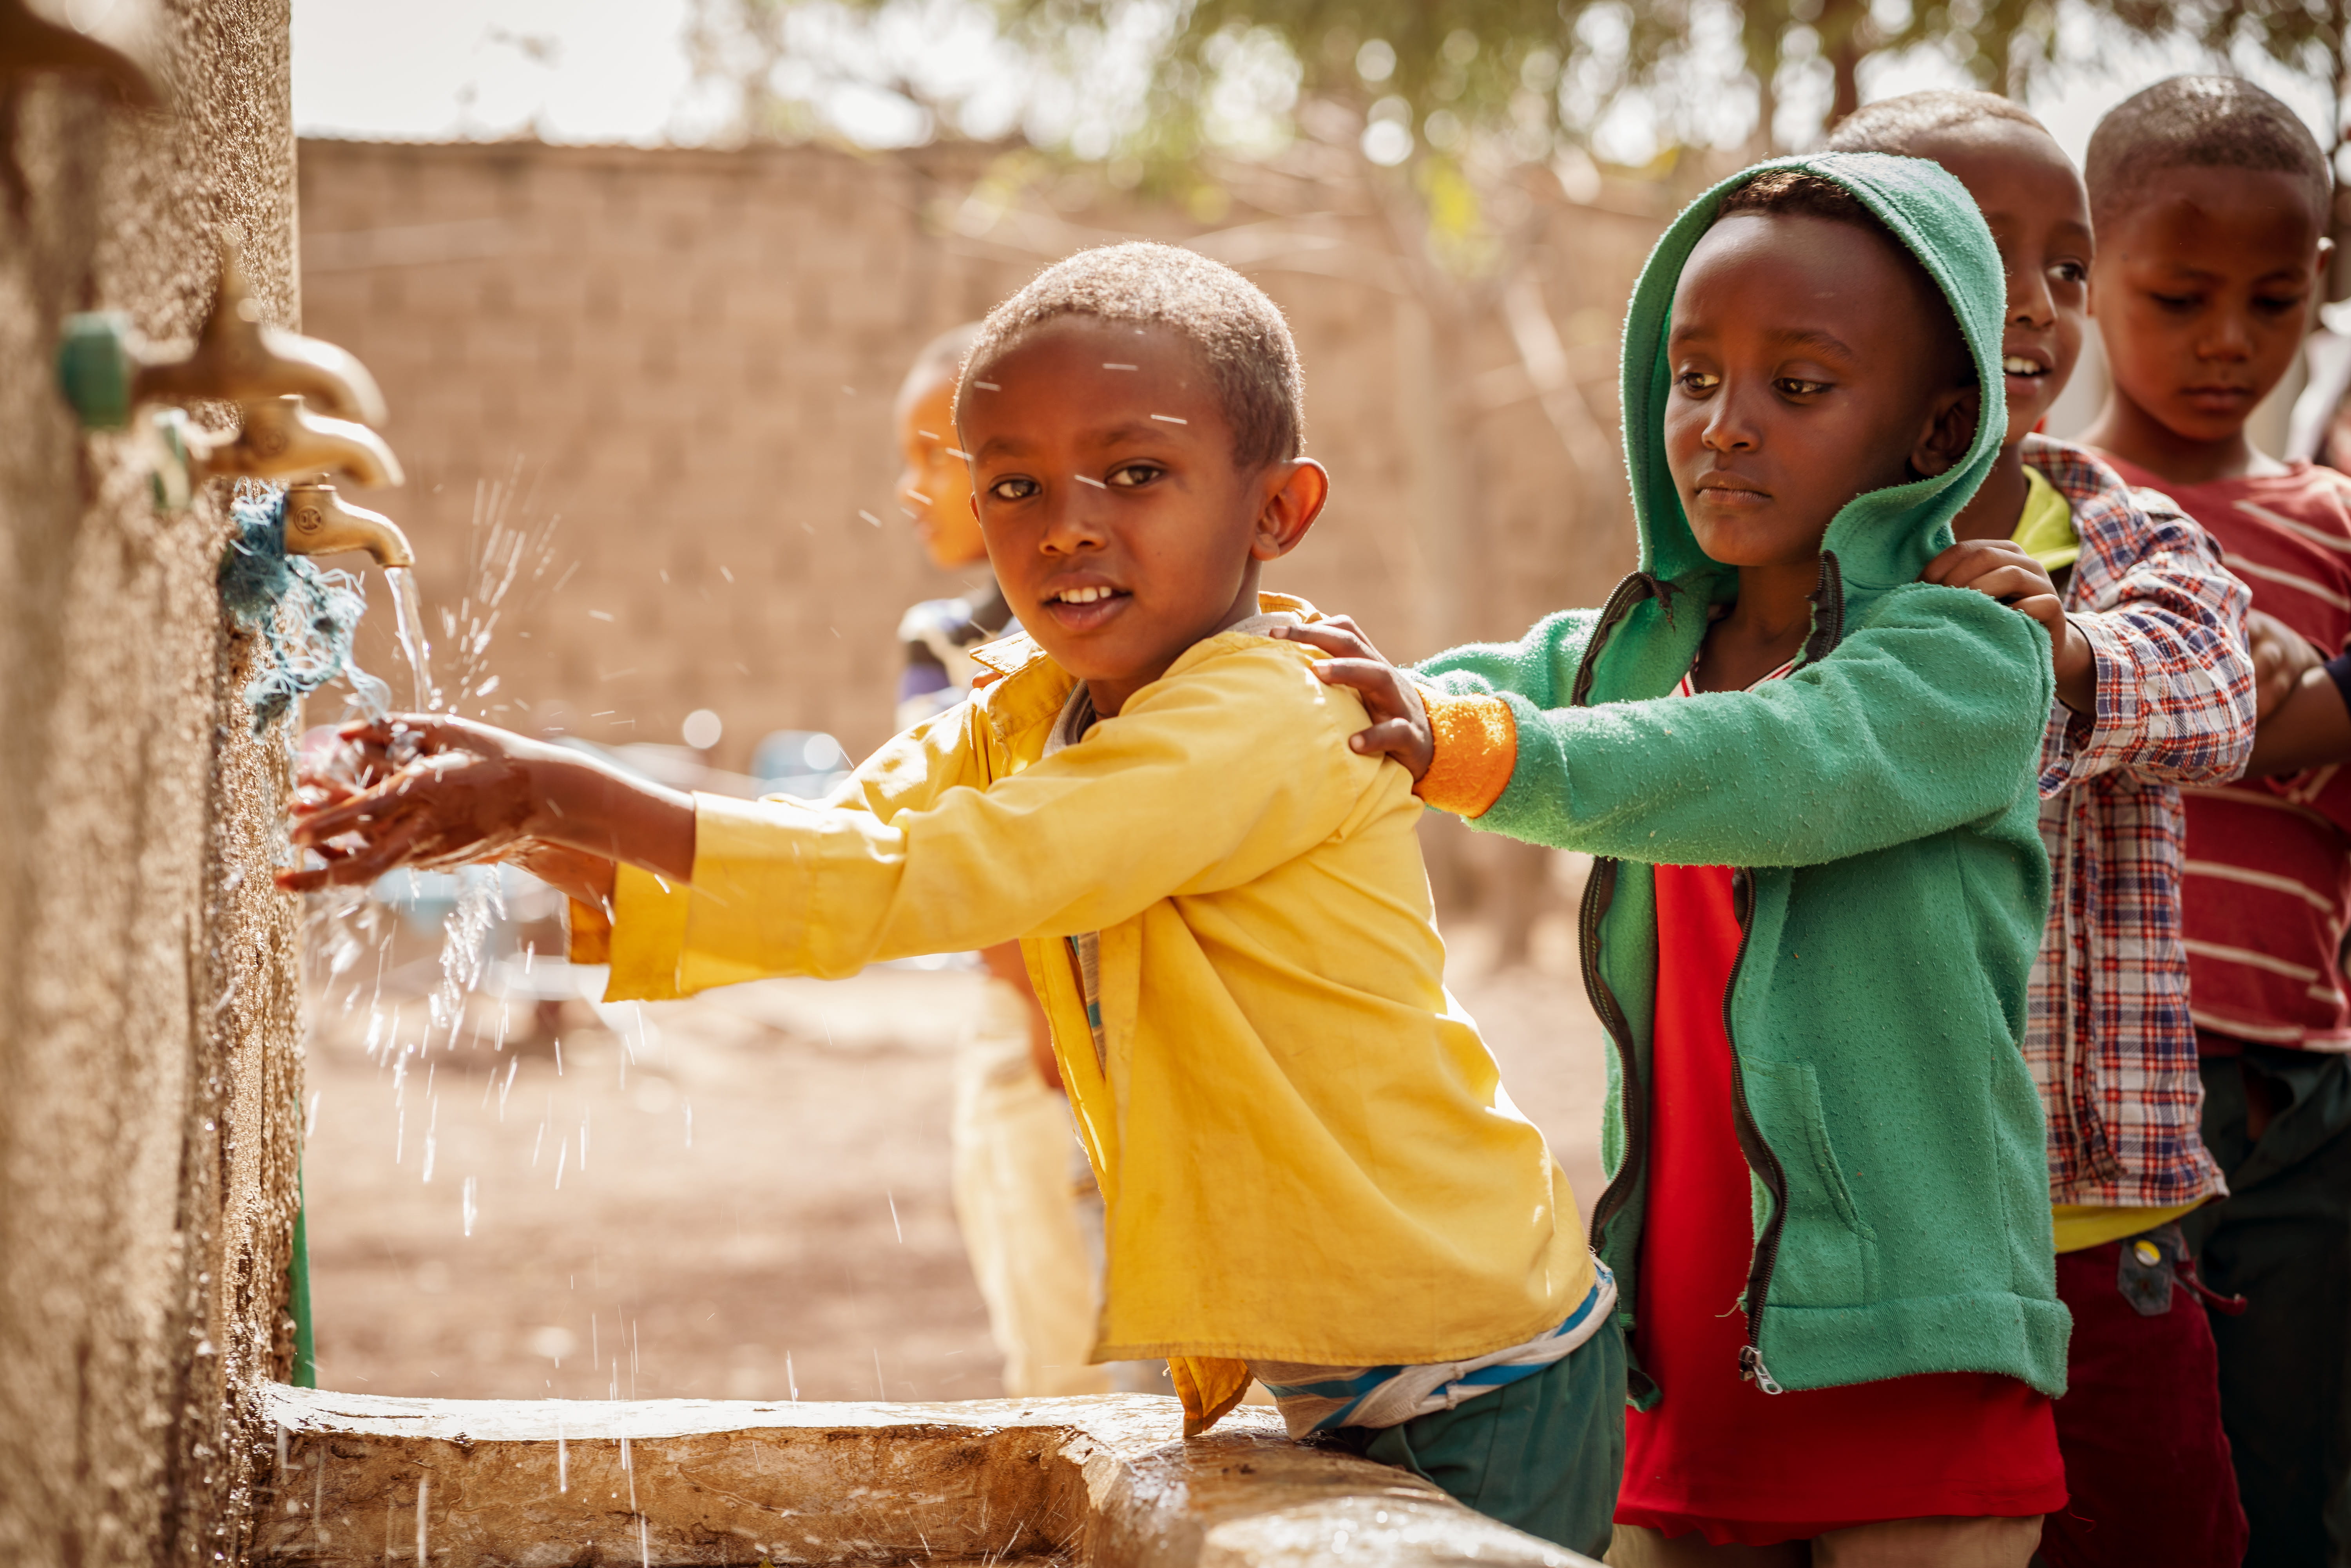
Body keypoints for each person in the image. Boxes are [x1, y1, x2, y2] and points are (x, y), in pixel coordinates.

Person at [277, 243, 1628, 1554]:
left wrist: (559, 791)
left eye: (1137, 473)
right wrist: (509, 836)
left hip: (1476, 1362)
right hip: (1343, 1363)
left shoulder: (1269, 713)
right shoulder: (1024, 707)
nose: (1069, 523)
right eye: (1016, 486)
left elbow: (938, 877)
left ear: (1277, 510)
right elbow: (827, 851)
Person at [1287, 154, 2067, 1564]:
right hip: (1685, 1353)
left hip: (1909, 1341)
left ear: (1936, 423)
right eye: (1694, 377)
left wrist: (1473, 744)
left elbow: (1769, 764)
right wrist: (1281, 691)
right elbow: (1434, 695)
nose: (1723, 427)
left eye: (1800, 386)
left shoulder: (1969, 656)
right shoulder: (1630, 652)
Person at [1822, 92, 2257, 1568]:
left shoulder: (2129, 534)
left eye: (2065, 267)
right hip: (1872, 1255)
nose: (2038, 307)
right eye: (1977, 252)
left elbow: (2211, 695)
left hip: (2100, 1240)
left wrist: (2061, 653)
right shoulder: (1791, 555)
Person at [2074, 75, 2351, 1567]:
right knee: (2115, 1495)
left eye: (2276, 298)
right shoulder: (2047, 516)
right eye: (2178, 297)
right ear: (2086, 275)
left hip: (2298, 1101)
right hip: (2088, 1102)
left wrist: (2318, 707)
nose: (2230, 341)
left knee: (2287, 1486)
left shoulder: (2335, 530)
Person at [891, 322, 1110, 1401]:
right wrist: (1033, 1013)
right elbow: (966, 846)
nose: (909, 486)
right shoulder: (945, 643)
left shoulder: (1101, 627)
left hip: (1095, 1018)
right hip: (1028, 1015)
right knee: (1059, 1335)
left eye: (934, 455)